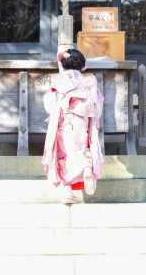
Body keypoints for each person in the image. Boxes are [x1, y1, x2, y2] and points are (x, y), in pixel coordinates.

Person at [42, 48, 104, 204]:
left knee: (63, 155)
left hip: (64, 122)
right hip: (83, 121)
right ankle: (87, 169)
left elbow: (49, 104)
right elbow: (98, 105)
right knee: (83, 149)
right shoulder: (89, 81)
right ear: (82, 65)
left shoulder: (59, 81)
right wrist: (93, 119)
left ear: (63, 64)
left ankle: (67, 192)